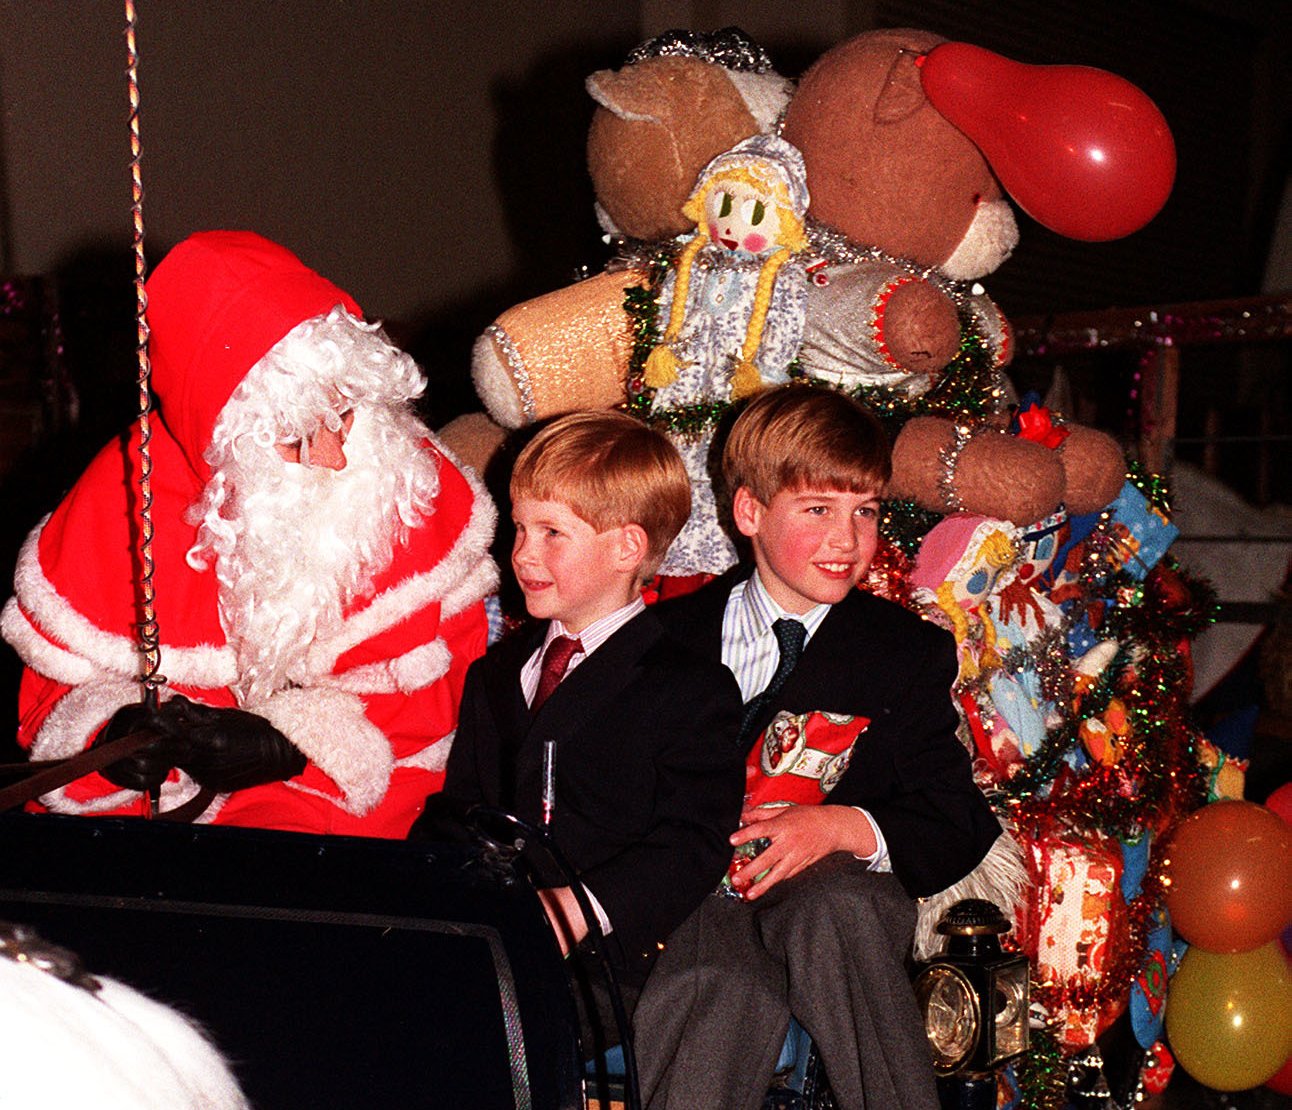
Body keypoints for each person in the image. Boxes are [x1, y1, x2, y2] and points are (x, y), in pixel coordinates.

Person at [0, 231, 495, 834]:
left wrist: (293, 744)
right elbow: (52, 707)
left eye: (342, 416)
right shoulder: (124, 499)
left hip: (354, 815)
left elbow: (454, 692)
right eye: (295, 439)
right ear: (228, 445)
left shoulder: (405, 478)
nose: (336, 457)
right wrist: (114, 733)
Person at [634, 384, 1008, 1110]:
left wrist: (837, 826)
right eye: (818, 511)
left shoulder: (902, 653)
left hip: (833, 903)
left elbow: (953, 819)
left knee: (838, 905)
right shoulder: (662, 640)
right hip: (696, 895)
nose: (848, 540)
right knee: (718, 984)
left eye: (864, 512)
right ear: (749, 512)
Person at [416, 409, 744, 1051]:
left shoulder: (687, 686)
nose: (523, 554)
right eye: (519, 529)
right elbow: (462, 809)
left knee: (462, 1034)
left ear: (627, 547)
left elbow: (691, 843)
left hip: (607, 964)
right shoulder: (500, 670)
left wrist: (576, 908)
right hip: (495, 936)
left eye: (551, 533)